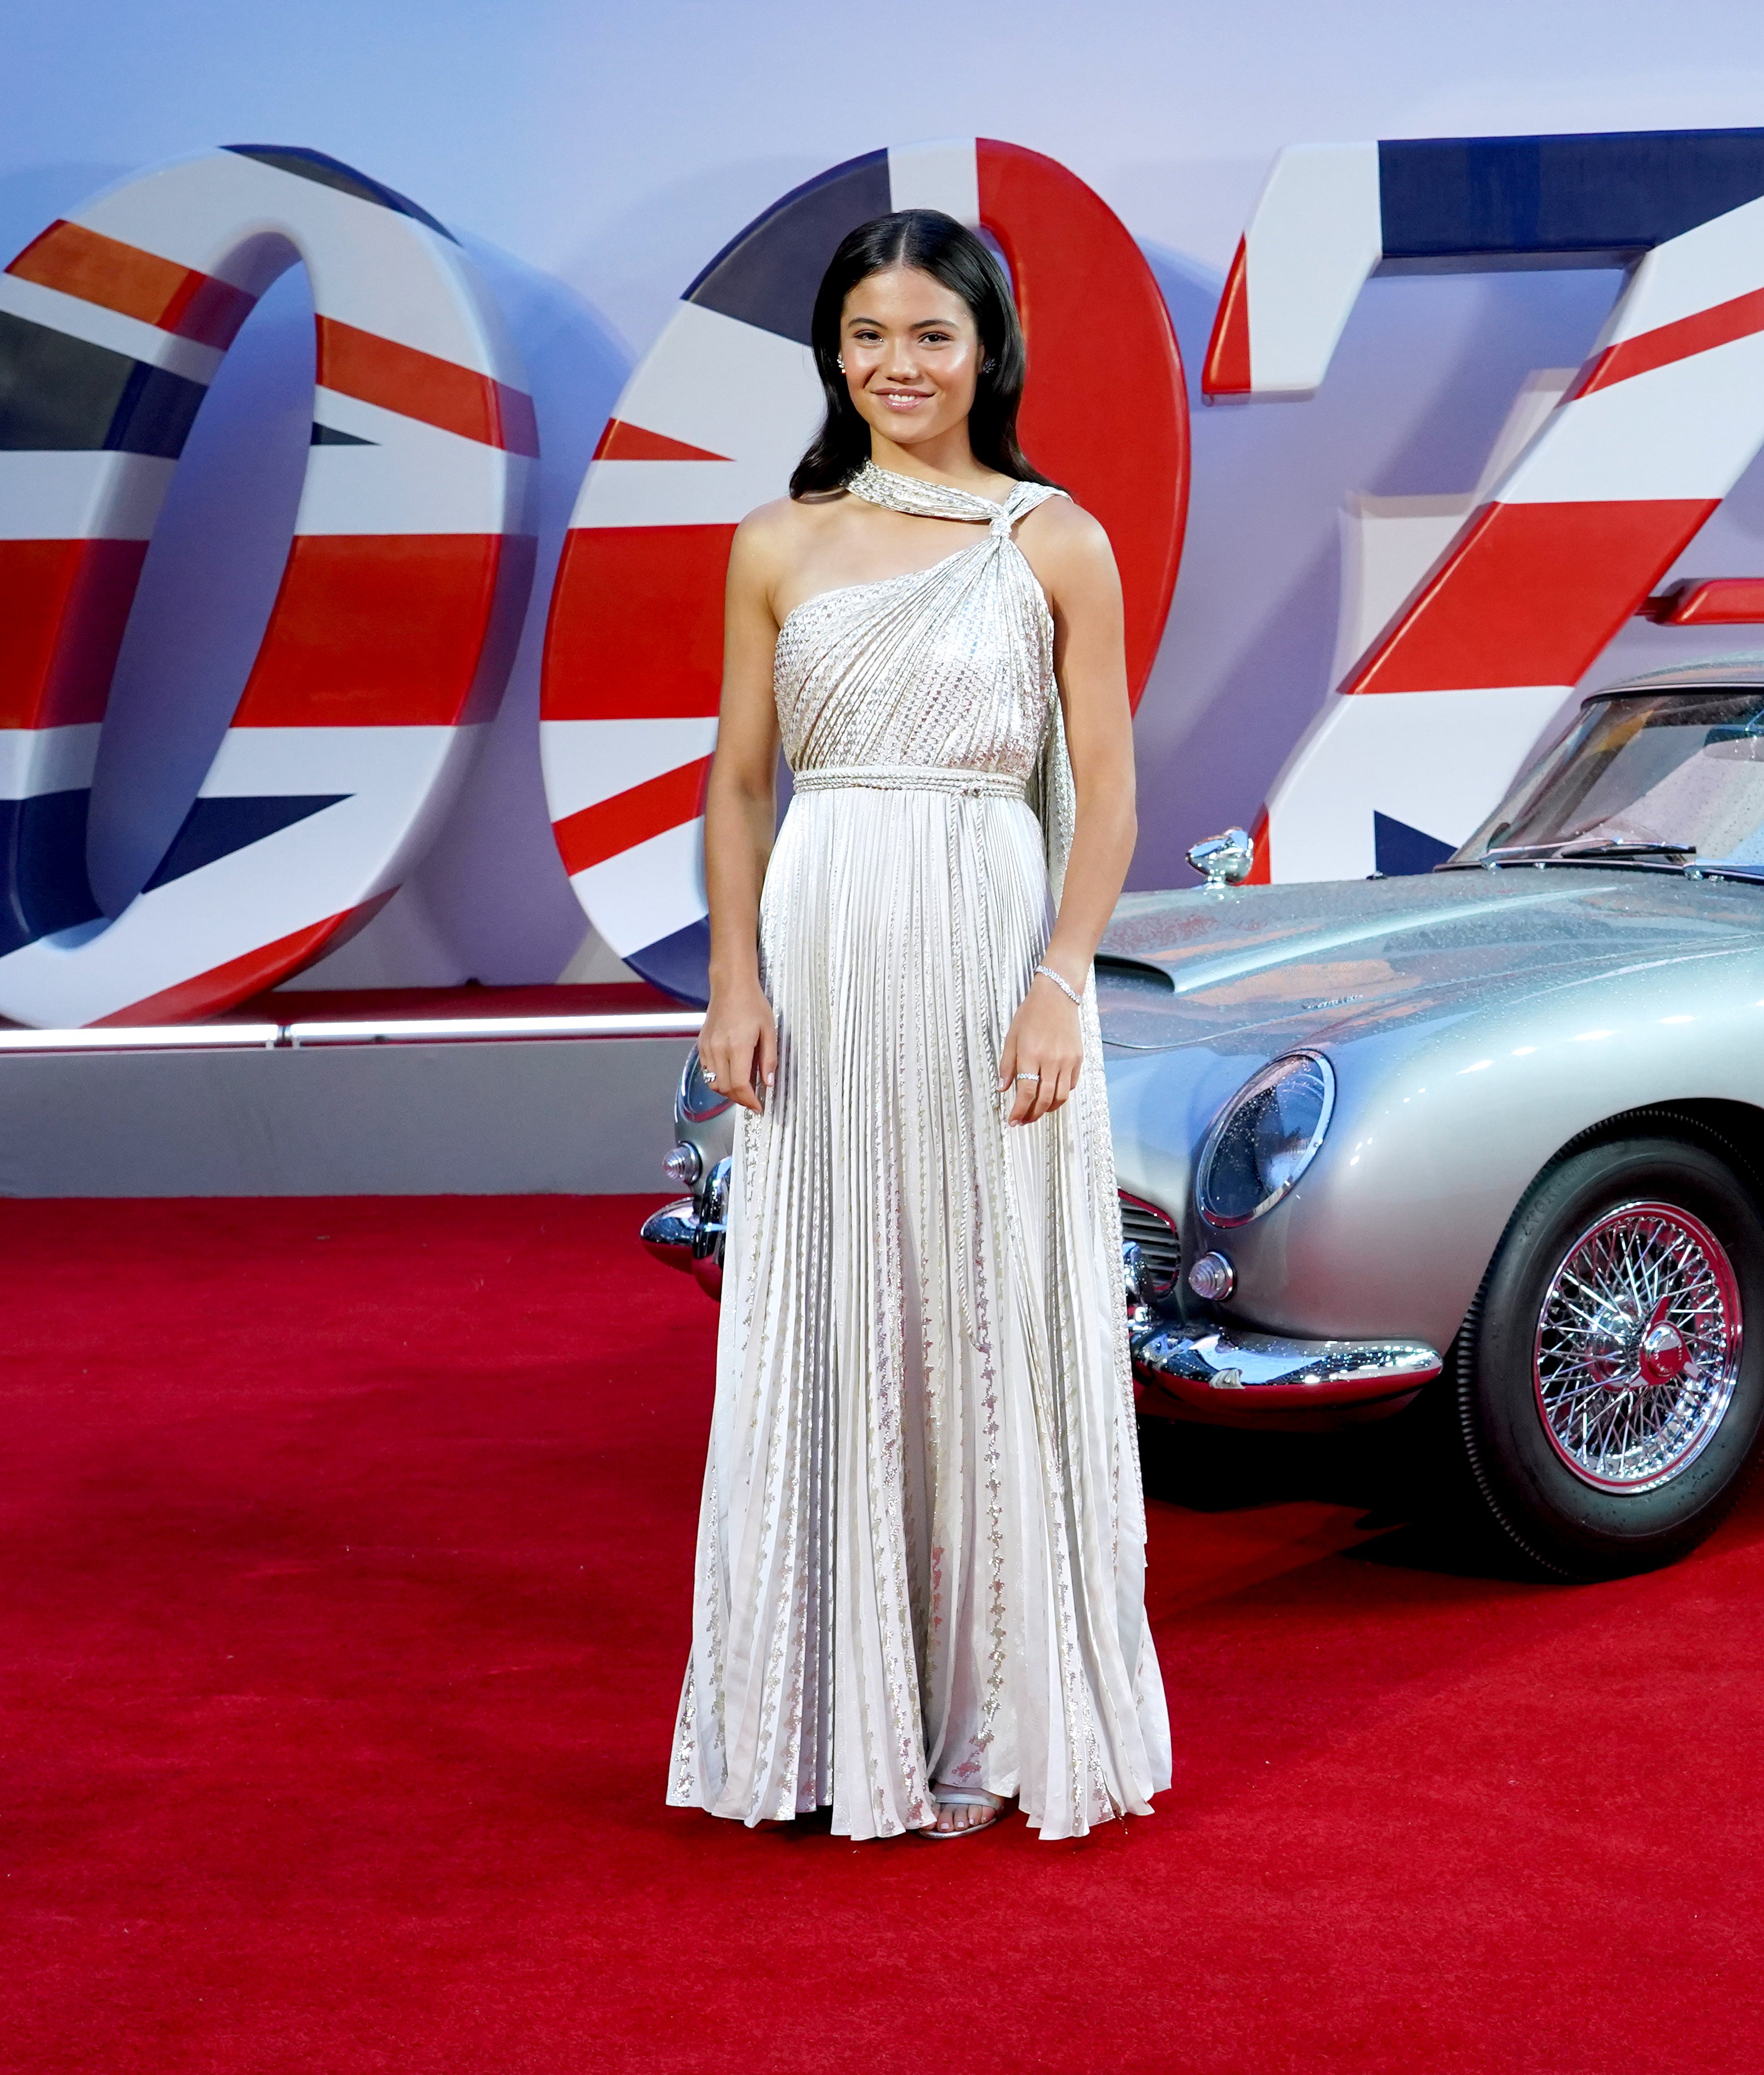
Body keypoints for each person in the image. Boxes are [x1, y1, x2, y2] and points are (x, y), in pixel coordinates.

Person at [669, 209, 1168, 1841]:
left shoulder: (1054, 538)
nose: (899, 365)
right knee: (831, 1298)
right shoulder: (778, 542)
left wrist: (1060, 978)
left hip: (982, 946)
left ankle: (988, 1722)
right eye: (870, 335)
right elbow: (742, 781)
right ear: (836, 351)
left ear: (988, 351)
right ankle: (823, 1723)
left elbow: (1105, 790)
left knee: (976, 1302)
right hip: (822, 941)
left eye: (933, 336)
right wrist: (733, 979)